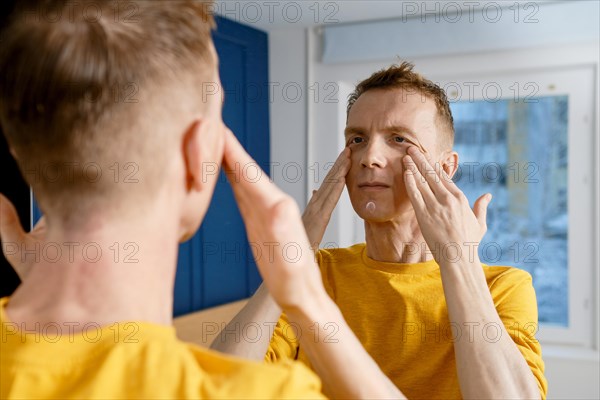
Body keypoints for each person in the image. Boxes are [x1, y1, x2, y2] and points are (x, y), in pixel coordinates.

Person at [0, 1, 408, 398]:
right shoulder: (264, 392)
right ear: (198, 155)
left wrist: (50, 286)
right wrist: (307, 298)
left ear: (22, 149)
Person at [211, 63, 548, 399]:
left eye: (399, 139)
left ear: (446, 167)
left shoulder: (502, 288)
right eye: (357, 139)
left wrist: (457, 259)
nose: (369, 157)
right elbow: (218, 385)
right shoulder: (317, 274)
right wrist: (291, 257)